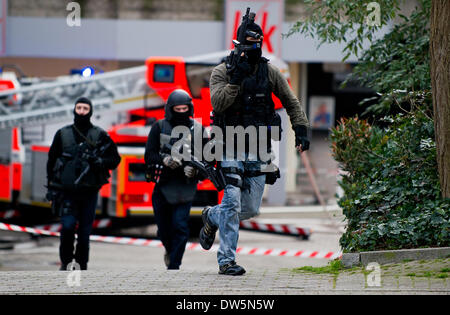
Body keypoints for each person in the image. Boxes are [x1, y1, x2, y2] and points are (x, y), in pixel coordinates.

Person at [199, 14, 310, 276]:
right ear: (238, 45)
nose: (252, 52)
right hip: (228, 144)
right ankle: (226, 261)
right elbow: (218, 104)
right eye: (248, 46)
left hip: (259, 146)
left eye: (256, 46)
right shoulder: (222, 72)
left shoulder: (269, 71)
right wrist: (235, 80)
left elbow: (291, 101)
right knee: (233, 200)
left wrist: (302, 129)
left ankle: (211, 216)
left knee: (250, 208)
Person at [46, 97, 121, 271]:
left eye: (85, 108)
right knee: (67, 227)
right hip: (66, 192)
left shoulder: (100, 135)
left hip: (89, 192)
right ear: (74, 109)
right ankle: (66, 262)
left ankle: (81, 264)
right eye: (78, 107)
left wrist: (99, 162)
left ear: (91, 111)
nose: (81, 111)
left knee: (85, 233)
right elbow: (51, 161)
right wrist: (50, 187)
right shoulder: (62, 134)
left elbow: (115, 159)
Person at [144, 89, 207, 270]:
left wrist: (195, 171)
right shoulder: (159, 127)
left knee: (180, 226)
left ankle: (174, 265)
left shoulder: (199, 130)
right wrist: (165, 160)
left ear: (190, 108)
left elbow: (209, 161)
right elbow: (149, 155)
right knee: (163, 229)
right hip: (163, 184)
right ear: (170, 109)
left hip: (185, 187)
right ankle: (169, 251)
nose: (181, 113)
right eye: (177, 109)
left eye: (184, 109)